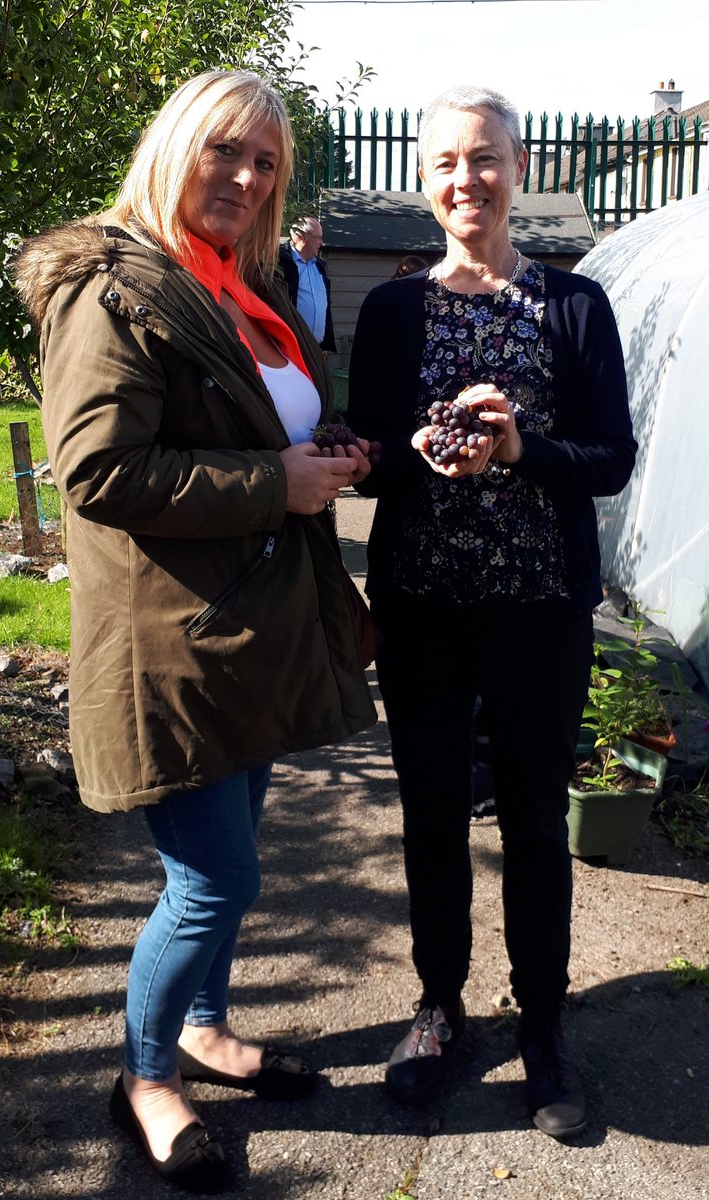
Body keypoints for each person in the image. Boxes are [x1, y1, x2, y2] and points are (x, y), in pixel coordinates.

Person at [15, 69, 376, 1195]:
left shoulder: (234, 282)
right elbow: (100, 469)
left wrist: (330, 453)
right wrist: (277, 482)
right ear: (176, 144)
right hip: (171, 642)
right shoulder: (111, 285)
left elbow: (264, 424)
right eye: (226, 149)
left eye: (265, 162)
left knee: (238, 862)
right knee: (210, 882)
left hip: (246, 634)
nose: (245, 176)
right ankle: (144, 1078)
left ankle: (209, 1029)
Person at [347, 84, 636, 1139]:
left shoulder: (572, 306)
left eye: (484, 159)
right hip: (423, 608)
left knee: (531, 822)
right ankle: (437, 1006)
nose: (465, 179)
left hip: (537, 611)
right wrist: (407, 456)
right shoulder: (391, 309)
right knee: (428, 811)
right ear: (424, 182)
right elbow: (369, 448)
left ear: (517, 170)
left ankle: (544, 1025)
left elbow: (609, 458)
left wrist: (522, 449)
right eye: (444, 164)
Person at [277, 216, 337, 352]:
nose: (321, 243)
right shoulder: (281, 263)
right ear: (300, 237)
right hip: (289, 347)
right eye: (318, 238)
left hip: (317, 349)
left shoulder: (319, 266)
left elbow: (324, 306)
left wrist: (325, 343)